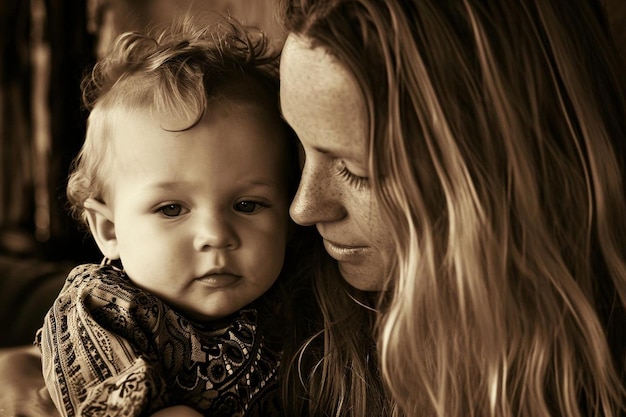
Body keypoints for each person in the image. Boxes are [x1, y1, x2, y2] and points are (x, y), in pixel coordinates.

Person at [2, 0, 626, 417]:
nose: (302, 208)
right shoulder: (291, 275)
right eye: (301, 156)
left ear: (493, 180)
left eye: (354, 169)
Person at [275, 0, 626, 416]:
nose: (301, 208)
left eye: (357, 171)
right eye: (298, 143)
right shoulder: (278, 315)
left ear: (501, 170)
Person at [34, 14, 303, 417]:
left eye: (247, 205)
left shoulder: (292, 295)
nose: (215, 235)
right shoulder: (100, 309)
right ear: (109, 229)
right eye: (171, 209)